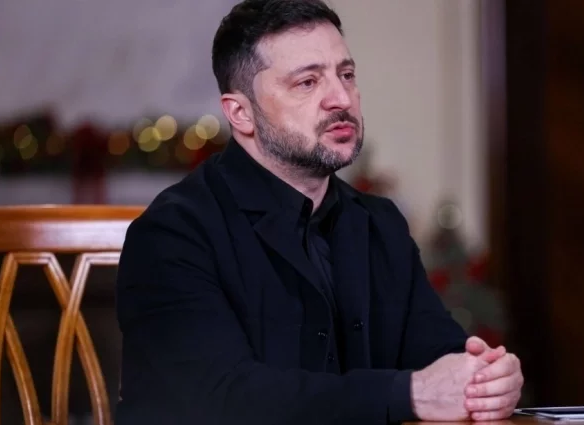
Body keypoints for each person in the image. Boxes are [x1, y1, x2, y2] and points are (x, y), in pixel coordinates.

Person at [115, 1, 524, 424]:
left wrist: (485, 382)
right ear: (241, 113)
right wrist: (409, 394)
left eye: (346, 75)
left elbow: (440, 359)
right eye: (307, 82)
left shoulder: (379, 224)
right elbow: (222, 399)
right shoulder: (172, 233)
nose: (341, 99)